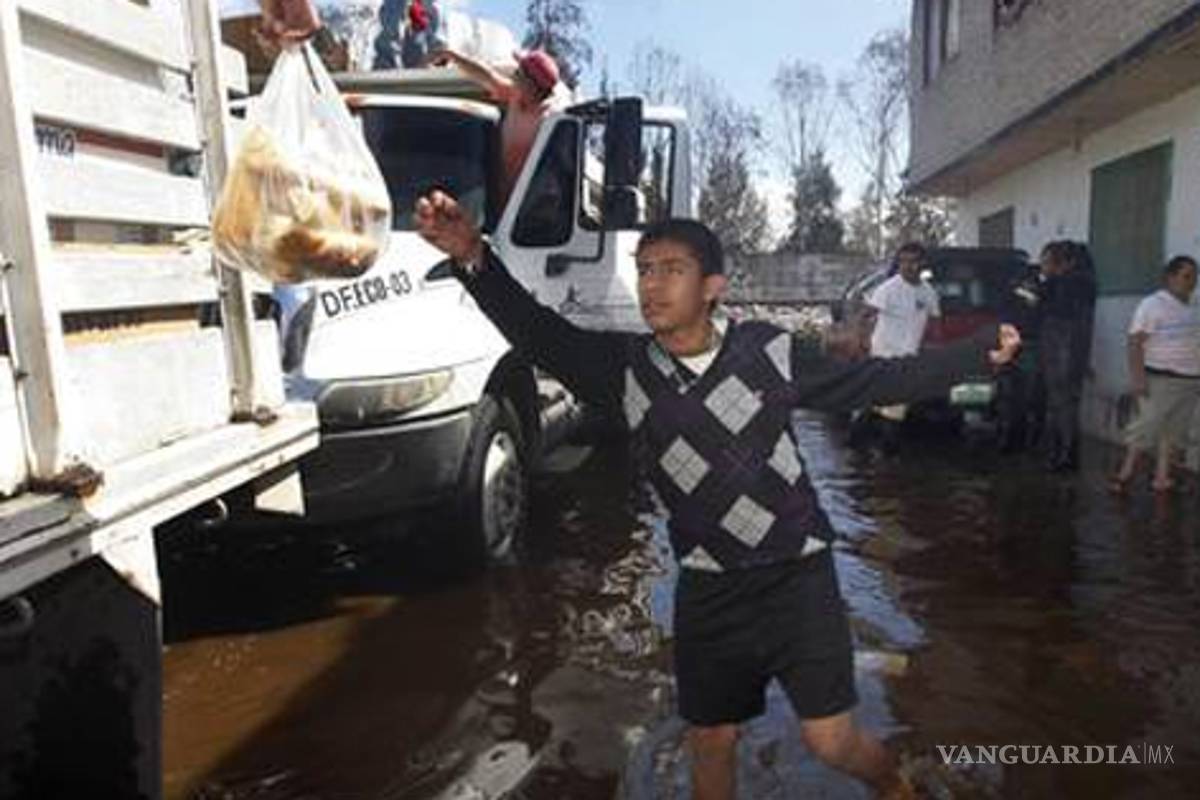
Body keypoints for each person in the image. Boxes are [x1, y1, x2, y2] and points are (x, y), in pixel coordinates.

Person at [414, 190, 1022, 800]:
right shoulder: (623, 369)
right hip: (708, 586)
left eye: (671, 270)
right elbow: (537, 332)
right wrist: (473, 254)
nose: (652, 285)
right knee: (712, 740)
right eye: (644, 270)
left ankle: (894, 785)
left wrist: (973, 356)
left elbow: (871, 380)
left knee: (830, 742)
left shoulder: (769, 351)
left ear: (712, 286)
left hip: (798, 576)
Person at [1110, 255, 1200, 493]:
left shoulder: (1194, 306)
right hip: (1160, 378)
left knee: (1173, 433)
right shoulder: (1153, 305)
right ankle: (1124, 475)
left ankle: (1162, 478)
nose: (1191, 281)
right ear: (1170, 277)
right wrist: (1138, 377)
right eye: (1186, 276)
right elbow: (1135, 342)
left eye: (1195, 276)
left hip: (1189, 380)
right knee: (1144, 429)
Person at [429, 48, 564, 202]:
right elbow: (486, 76)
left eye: (519, 72)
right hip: (494, 202)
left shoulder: (549, 122)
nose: (514, 76)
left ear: (530, 84)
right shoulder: (516, 97)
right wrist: (451, 55)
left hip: (521, 210)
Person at [858, 242, 942, 452]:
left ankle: (859, 451)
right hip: (884, 357)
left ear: (922, 263)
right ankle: (885, 459)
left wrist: (933, 348)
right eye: (903, 261)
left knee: (880, 407)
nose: (907, 266)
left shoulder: (928, 292)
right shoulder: (888, 289)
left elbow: (935, 322)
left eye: (913, 261)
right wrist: (863, 342)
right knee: (893, 411)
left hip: (908, 358)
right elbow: (865, 315)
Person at [1035, 241, 1097, 471]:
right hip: (1074, 355)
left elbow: (1043, 311)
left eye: (1047, 262)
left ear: (1063, 264)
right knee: (1068, 403)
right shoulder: (1086, 285)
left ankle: (1063, 454)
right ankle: (1066, 453)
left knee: (1060, 405)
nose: (1043, 266)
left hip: (1061, 355)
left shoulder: (1060, 286)